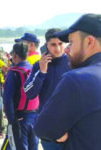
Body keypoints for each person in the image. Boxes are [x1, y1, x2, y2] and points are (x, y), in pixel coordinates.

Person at [33, 13, 101, 150]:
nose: (66, 49)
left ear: (89, 41)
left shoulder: (77, 79)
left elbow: (42, 129)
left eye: (71, 42)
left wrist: (64, 134)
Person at [24, 28, 70, 150]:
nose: (58, 49)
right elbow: (29, 93)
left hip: (70, 129)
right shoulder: (38, 65)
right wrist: (42, 71)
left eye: (61, 44)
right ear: (46, 45)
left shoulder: (73, 63)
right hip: (48, 129)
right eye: (53, 45)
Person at [2, 42, 39, 150]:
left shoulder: (13, 73)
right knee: (33, 146)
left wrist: (12, 120)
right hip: (34, 116)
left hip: (20, 118)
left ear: (15, 55)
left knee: (15, 146)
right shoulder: (33, 69)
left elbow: (8, 99)